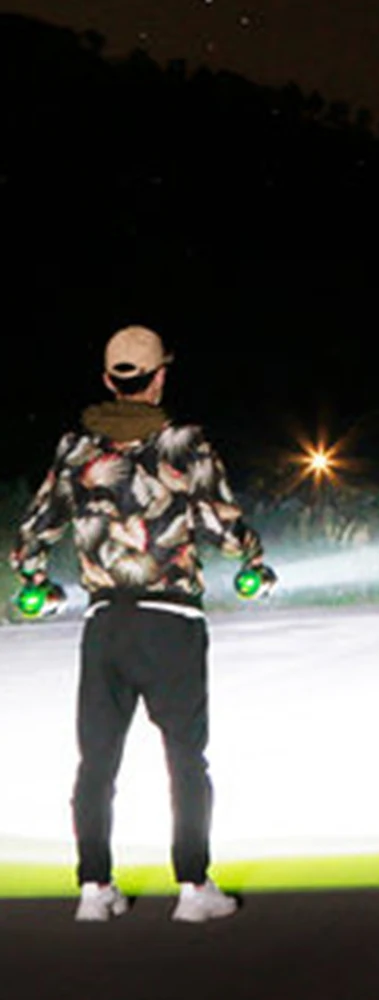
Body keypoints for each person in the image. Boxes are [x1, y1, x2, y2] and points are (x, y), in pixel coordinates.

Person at [9, 325, 271, 922]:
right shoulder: (183, 443)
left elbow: (34, 532)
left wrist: (34, 578)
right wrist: (253, 560)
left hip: (105, 624)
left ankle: (94, 888)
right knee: (185, 758)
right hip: (171, 622)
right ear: (160, 378)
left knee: (96, 761)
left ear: (109, 379)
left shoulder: (76, 450)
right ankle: (193, 889)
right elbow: (220, 521)